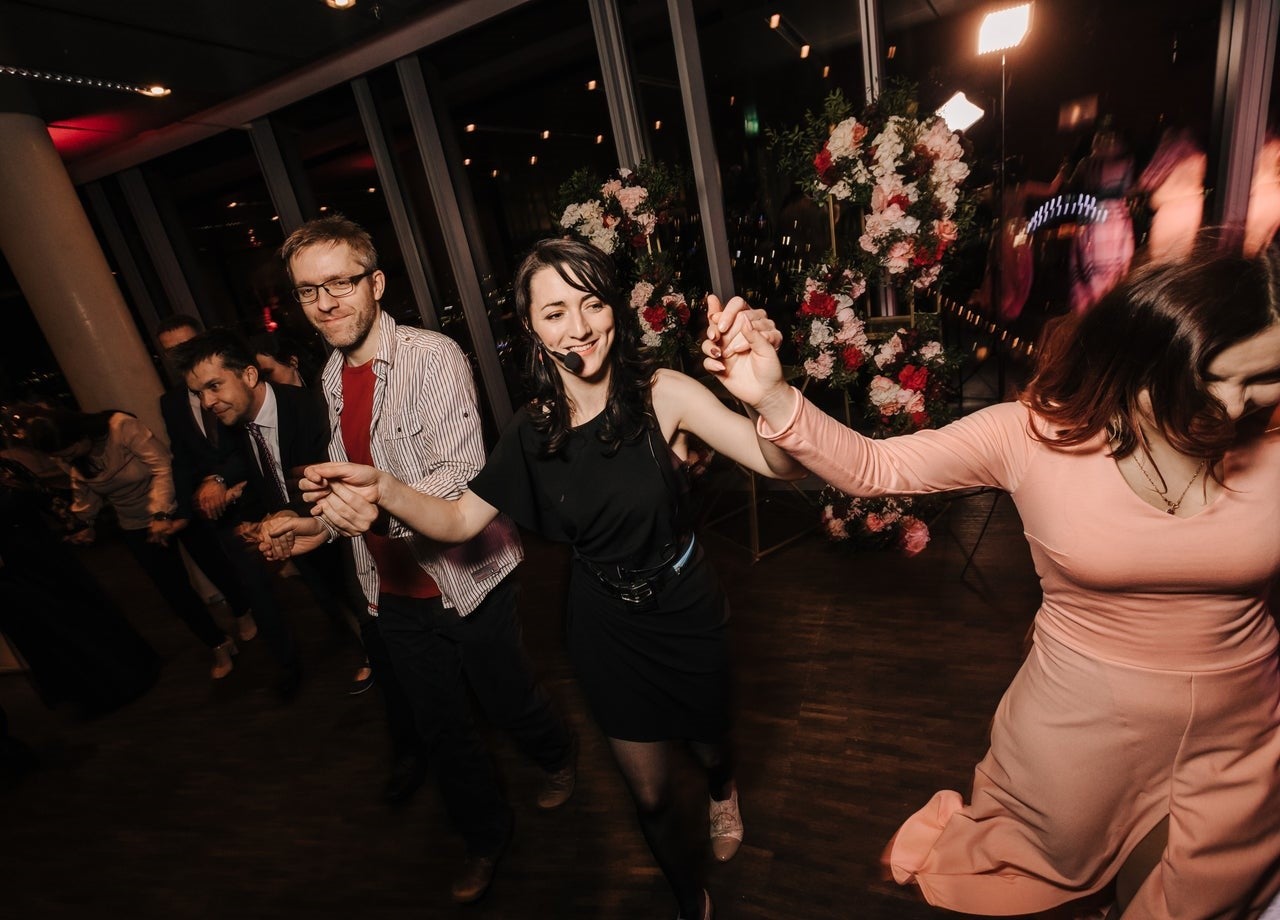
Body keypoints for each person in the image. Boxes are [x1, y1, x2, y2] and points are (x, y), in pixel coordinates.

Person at [703, 242, 1280, 918]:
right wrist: (773, 395)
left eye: (1265, 376)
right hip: (1082, 726)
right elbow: (875, 468)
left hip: (1242, 728)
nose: (1238, 406)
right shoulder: (1032, 435)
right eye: (1214, 380)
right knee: (1047, 876)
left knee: (1195, 900)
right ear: (1141, 358)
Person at [275, 236, 807, 920]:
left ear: (615, 307)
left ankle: (723, 787)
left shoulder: (664, 394)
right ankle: (688, 901)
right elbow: (462, 517)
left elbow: (781, 466)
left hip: (683, 605)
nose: (579, 326)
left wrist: (770, 393)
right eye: (554, 312)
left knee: (707, 742)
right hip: (602, 622)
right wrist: (381, 488)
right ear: (530, 326)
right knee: (646, 795)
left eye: (591, 303)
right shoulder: (533, 430)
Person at [261, 216, 576, 903]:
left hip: (468, 578)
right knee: (441, 728)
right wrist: (313, 523)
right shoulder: (327, 379)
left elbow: (461, 480)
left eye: (340, 283)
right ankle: (485, 838)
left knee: (507, 698)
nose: (326, 303)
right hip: (390, 595)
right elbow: (355, 490)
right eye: (309, 291)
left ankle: (556, 758)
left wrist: (378, 507)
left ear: (374, 283)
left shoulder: (433, 356)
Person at [15, 406, 240, 681]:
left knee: (215, 565)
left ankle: (244, 611)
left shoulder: (121, 427)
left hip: (173, 505)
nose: (68, 459)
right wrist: (86, 524)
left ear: (80, 434)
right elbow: (85, 489)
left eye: (69, 452)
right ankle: (217, 643)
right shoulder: (71, 456)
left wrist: (161, 512)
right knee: (174, 591)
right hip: (135, 524)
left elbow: (162, 466)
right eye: (61, 457)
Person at [156, 314, 260, 649]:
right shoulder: (171, 402)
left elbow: (252, 441)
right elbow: (181, 458)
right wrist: (183, 509)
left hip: (254, 487)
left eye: (186, 345)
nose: (180, 355)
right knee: (241, 573)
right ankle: (250, 615)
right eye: (171, 352)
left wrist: (221, 478)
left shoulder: (235, 380)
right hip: (215, 503)